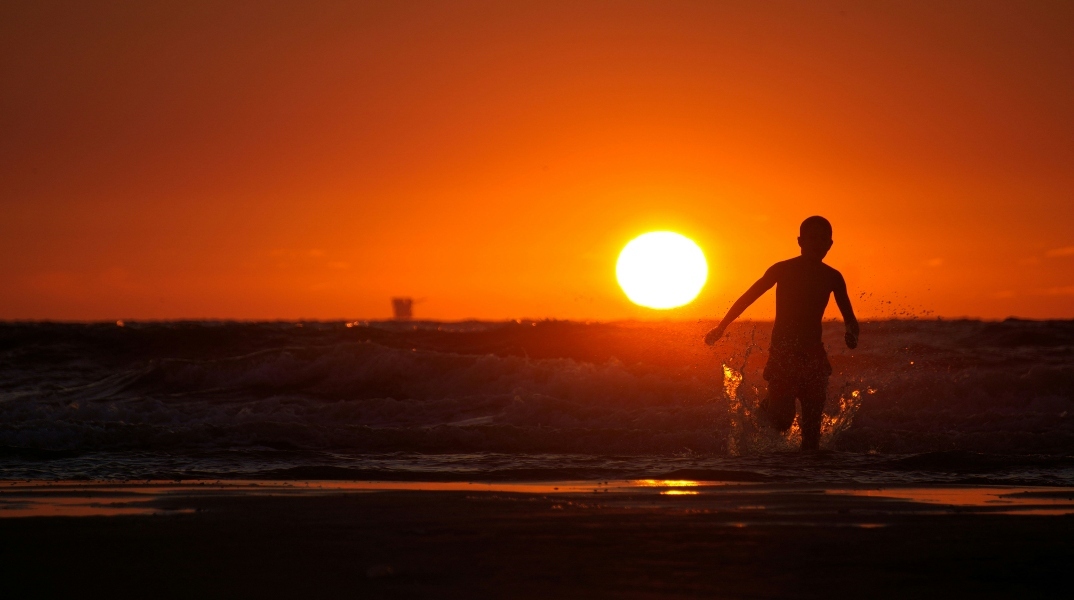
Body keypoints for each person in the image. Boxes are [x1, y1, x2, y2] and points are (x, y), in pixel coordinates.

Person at [704, 216, 859, 451]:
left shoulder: (833, 277)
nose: (817, 244)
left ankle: (807, 480)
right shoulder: (783, 269)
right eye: (811, 238)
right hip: (783, 353)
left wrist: (852, 334)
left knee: (811, 436)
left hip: (814, 357)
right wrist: (722, 326)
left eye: (822, 239)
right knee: (783, 421)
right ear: (800, 241)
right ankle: (762, 413)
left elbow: (851, 319)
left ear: (830, 244)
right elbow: (748, 298)